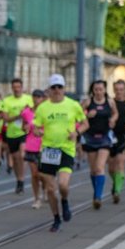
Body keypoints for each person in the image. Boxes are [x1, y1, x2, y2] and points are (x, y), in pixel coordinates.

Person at [33, 74, 87, 233]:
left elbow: (85, 123)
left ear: (64, 89)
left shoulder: (73, 105)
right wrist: (36, 131)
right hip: (48, 150)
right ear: (49, 90)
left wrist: (77, 132)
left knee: (63, 185)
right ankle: (56, 218)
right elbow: (36, 126)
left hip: (66, 149)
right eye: (54, 87)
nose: (57, 90)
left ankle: (64, 200)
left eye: (59, 87)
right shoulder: (43, 107)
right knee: (50, 189)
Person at [80, 79, 118, 209]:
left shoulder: (110, 102)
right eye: (96, 90)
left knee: (99, 167)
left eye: (101, 89)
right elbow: (77, 114)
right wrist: (87, 115)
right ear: (92, 90)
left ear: (105, 90)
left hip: (104, 138)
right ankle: (96, 192)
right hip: (90, 137)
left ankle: (98, 197)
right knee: (93, 170)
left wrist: (112, 120)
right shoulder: (87, 102)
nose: (98, 92)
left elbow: (115, 113)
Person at [0, 78, 34, 193]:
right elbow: (5, 118)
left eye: (18, 87)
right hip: (11, 133)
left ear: (22, 87)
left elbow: (34, 112)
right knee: (15, 158)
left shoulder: (28, 99)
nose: (16, 89)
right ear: (12, 88)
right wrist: (18, 116)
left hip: (24, 132)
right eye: (14, 87)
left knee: (22, 155)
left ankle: (22, 179)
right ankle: (19, 180)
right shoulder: (6, 101)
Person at [108, 79, 125, 204]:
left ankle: (117, 192)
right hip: (110, 138)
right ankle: (115, 183)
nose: (119, 92)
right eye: (117, 90)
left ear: (124, 90)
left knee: (120, 163)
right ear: (114, 90)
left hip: (123, 137)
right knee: (111, 168)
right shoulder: (110, 103)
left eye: (121, 89)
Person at [22, 89, 46, 208]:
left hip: (47, 145)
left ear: (43, 99)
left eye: (39, 97)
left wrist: (42, 132)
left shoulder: (47, 111)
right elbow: (23, 127)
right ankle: (37, 198)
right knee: (35, 174)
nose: (36, 99)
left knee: (45, 175)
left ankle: (46, 190)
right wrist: (25, 128)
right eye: (34, 97)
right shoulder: (26, 112)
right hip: (31, 146)